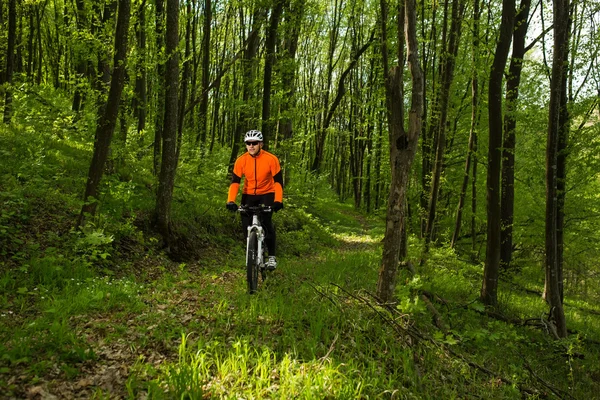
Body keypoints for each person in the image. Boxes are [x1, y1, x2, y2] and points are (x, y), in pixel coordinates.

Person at [226, 130, 283, 270]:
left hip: (267, 193)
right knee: (245, 223)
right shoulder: (241, 160)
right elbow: (235, 183)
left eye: (254, 143)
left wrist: (278, 200)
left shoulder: (271, 159)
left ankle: (271, 257)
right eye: (248, 143)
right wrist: (231, 201)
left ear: (261, 144)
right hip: (249, 194)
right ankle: (252, 248)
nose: (251, 146)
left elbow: (278, 182)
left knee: (266, 222)